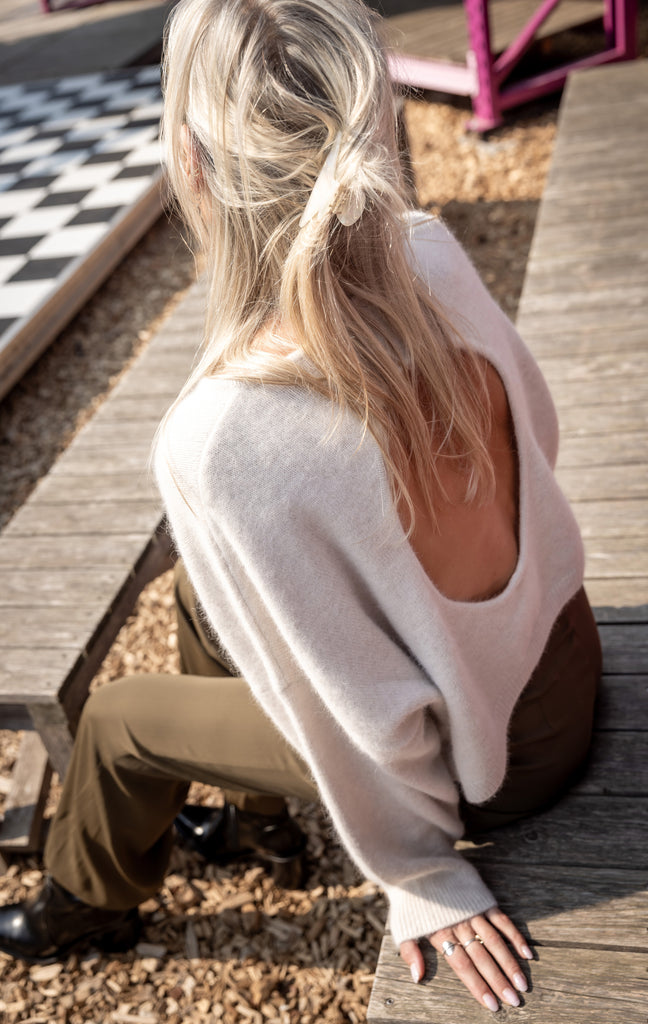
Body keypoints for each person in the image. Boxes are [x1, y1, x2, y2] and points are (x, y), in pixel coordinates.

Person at [0, 0, 602, 1012]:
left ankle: (89, 900)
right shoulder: (427, 253)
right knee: (198, 600)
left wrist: (418, 870)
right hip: (553, 652)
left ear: (192, 163)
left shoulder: (218, 441)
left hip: (490, 757)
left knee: (115, 721)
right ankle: (253, 822)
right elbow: (537, 439)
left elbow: (352, 716)